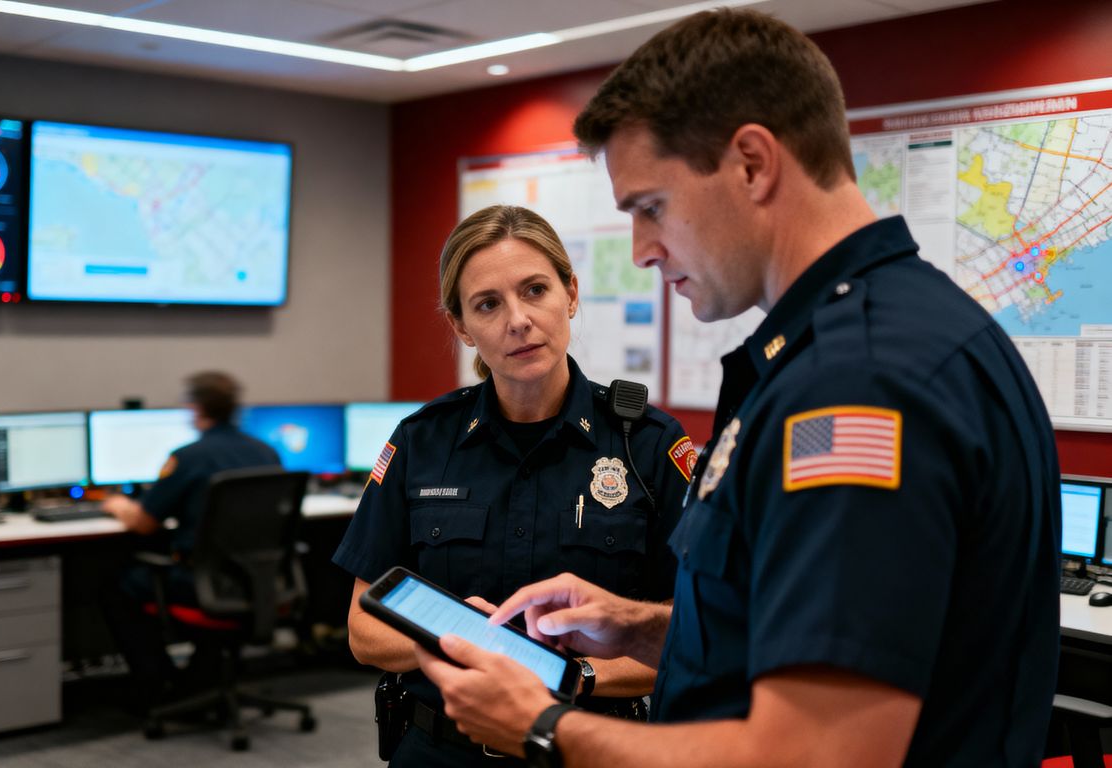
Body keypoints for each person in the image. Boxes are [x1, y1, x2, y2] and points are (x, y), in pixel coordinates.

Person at [413, 9, 1061, 768]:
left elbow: (823, 752)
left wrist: (543, 726)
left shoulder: (856, 386)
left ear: (753, 163)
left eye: (650, 207)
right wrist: (647, 625)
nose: (644, 250)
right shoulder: (914, 325)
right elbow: (826, 638)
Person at [333, 204, 698, 766]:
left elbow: (692, 632)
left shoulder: (646, 444)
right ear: (462, 327)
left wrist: (570, 678)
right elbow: (364, 630)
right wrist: (467, 643)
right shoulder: (421, 442)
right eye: (488, 304)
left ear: (570, 294)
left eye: (535, 290)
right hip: (440, 751)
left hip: (587, 746)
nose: (518, 320)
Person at [100, 371, 281, 711]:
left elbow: (143, 524)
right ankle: (200, 677)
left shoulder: (187, 457)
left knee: (117, 586)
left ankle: (159, 683)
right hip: (256, 581)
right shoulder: (266, 452)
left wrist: (117, 504)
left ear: (195, 409)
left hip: (201, 583)